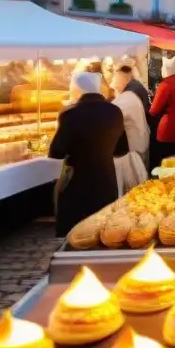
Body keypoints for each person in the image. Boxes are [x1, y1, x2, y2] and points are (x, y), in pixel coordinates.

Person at [49, 72, 128, 236]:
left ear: (77, 89)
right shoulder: (115, 112)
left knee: (75, 233)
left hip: (78, 184)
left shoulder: (69, 114)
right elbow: (122, 149)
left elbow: (56, 152)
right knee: (102, 229)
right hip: (106, 181)